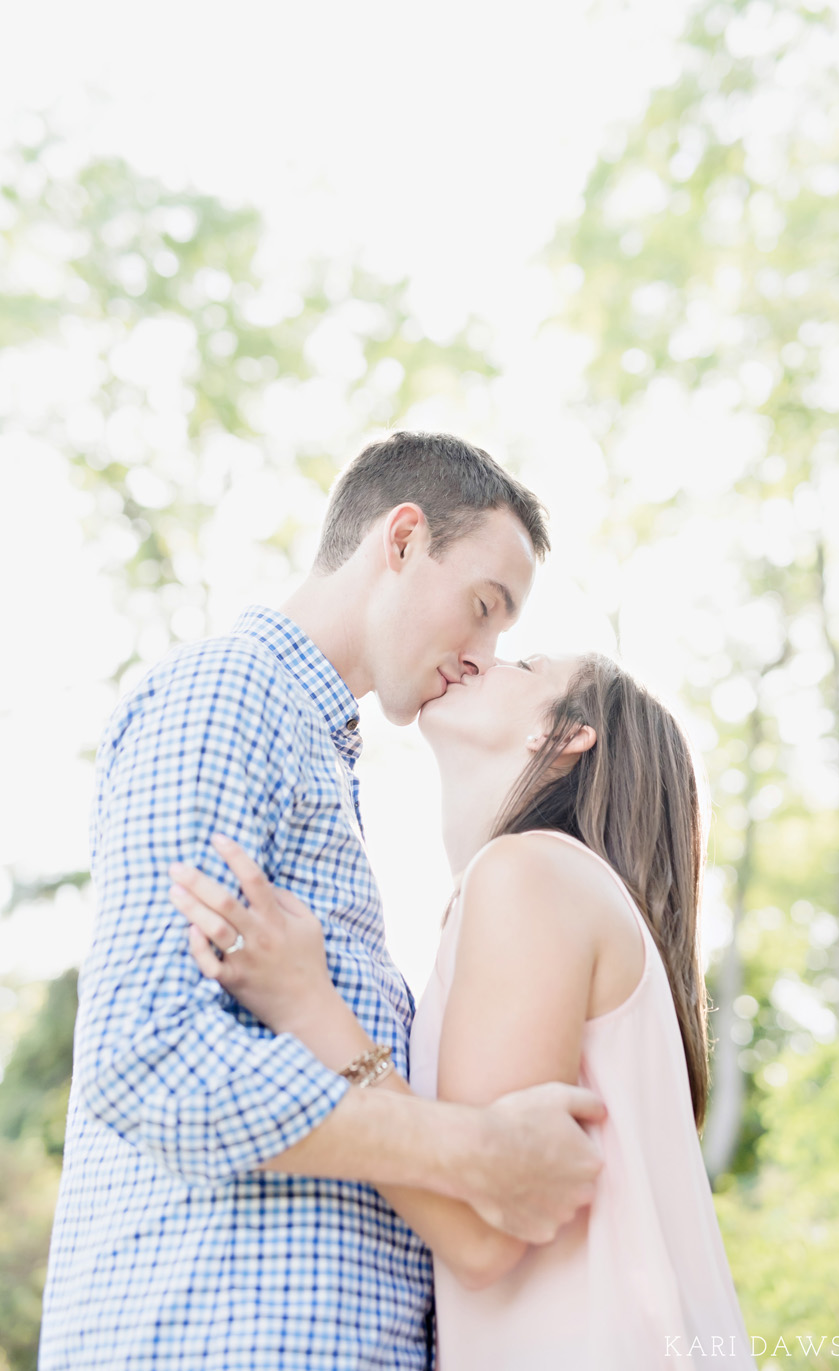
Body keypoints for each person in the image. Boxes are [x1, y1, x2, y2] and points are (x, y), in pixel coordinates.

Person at [39, 432, 606, 1371]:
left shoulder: (320, 763)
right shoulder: (227, 694)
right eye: (481, 606)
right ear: (401, 537)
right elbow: (147, 1052)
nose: (479, 655)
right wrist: (473, 1149)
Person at [170, 652, 757, 1369]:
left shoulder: (530, 871)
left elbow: (484, 1235)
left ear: (566, 732)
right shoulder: (562, 888)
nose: (479, 655)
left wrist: (308, 1002)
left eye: (522, 661)